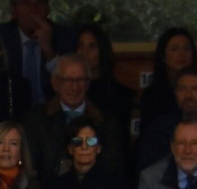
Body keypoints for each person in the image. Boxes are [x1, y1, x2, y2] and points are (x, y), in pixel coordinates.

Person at [21, 54, 125, 182]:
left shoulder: (107, 123)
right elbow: (31, 171)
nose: (74, 87)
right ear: (55, 83)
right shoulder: (35, 121)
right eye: (68, 80)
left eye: (80, 80)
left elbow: (113, 172)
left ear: (87, 84)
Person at [0, 0, 77, 104]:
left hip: (52, 112)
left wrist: (48, 49)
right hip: (10, 112)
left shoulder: (64, 37)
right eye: (26, 3)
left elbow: (70, 84)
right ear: (14, 10)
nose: (34, 9)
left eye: (40, 3)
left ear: (48, 9)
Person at [138, 26, 197, 129]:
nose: (182, 54)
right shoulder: (152, 95)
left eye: (187, 48)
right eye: (174, 49)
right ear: (163, 56)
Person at [75, 23, 135, 123]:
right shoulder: (69, 89)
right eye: (80, 46)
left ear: (102, 51)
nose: (84, 52)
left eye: (92, 46)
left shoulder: (119, 95)